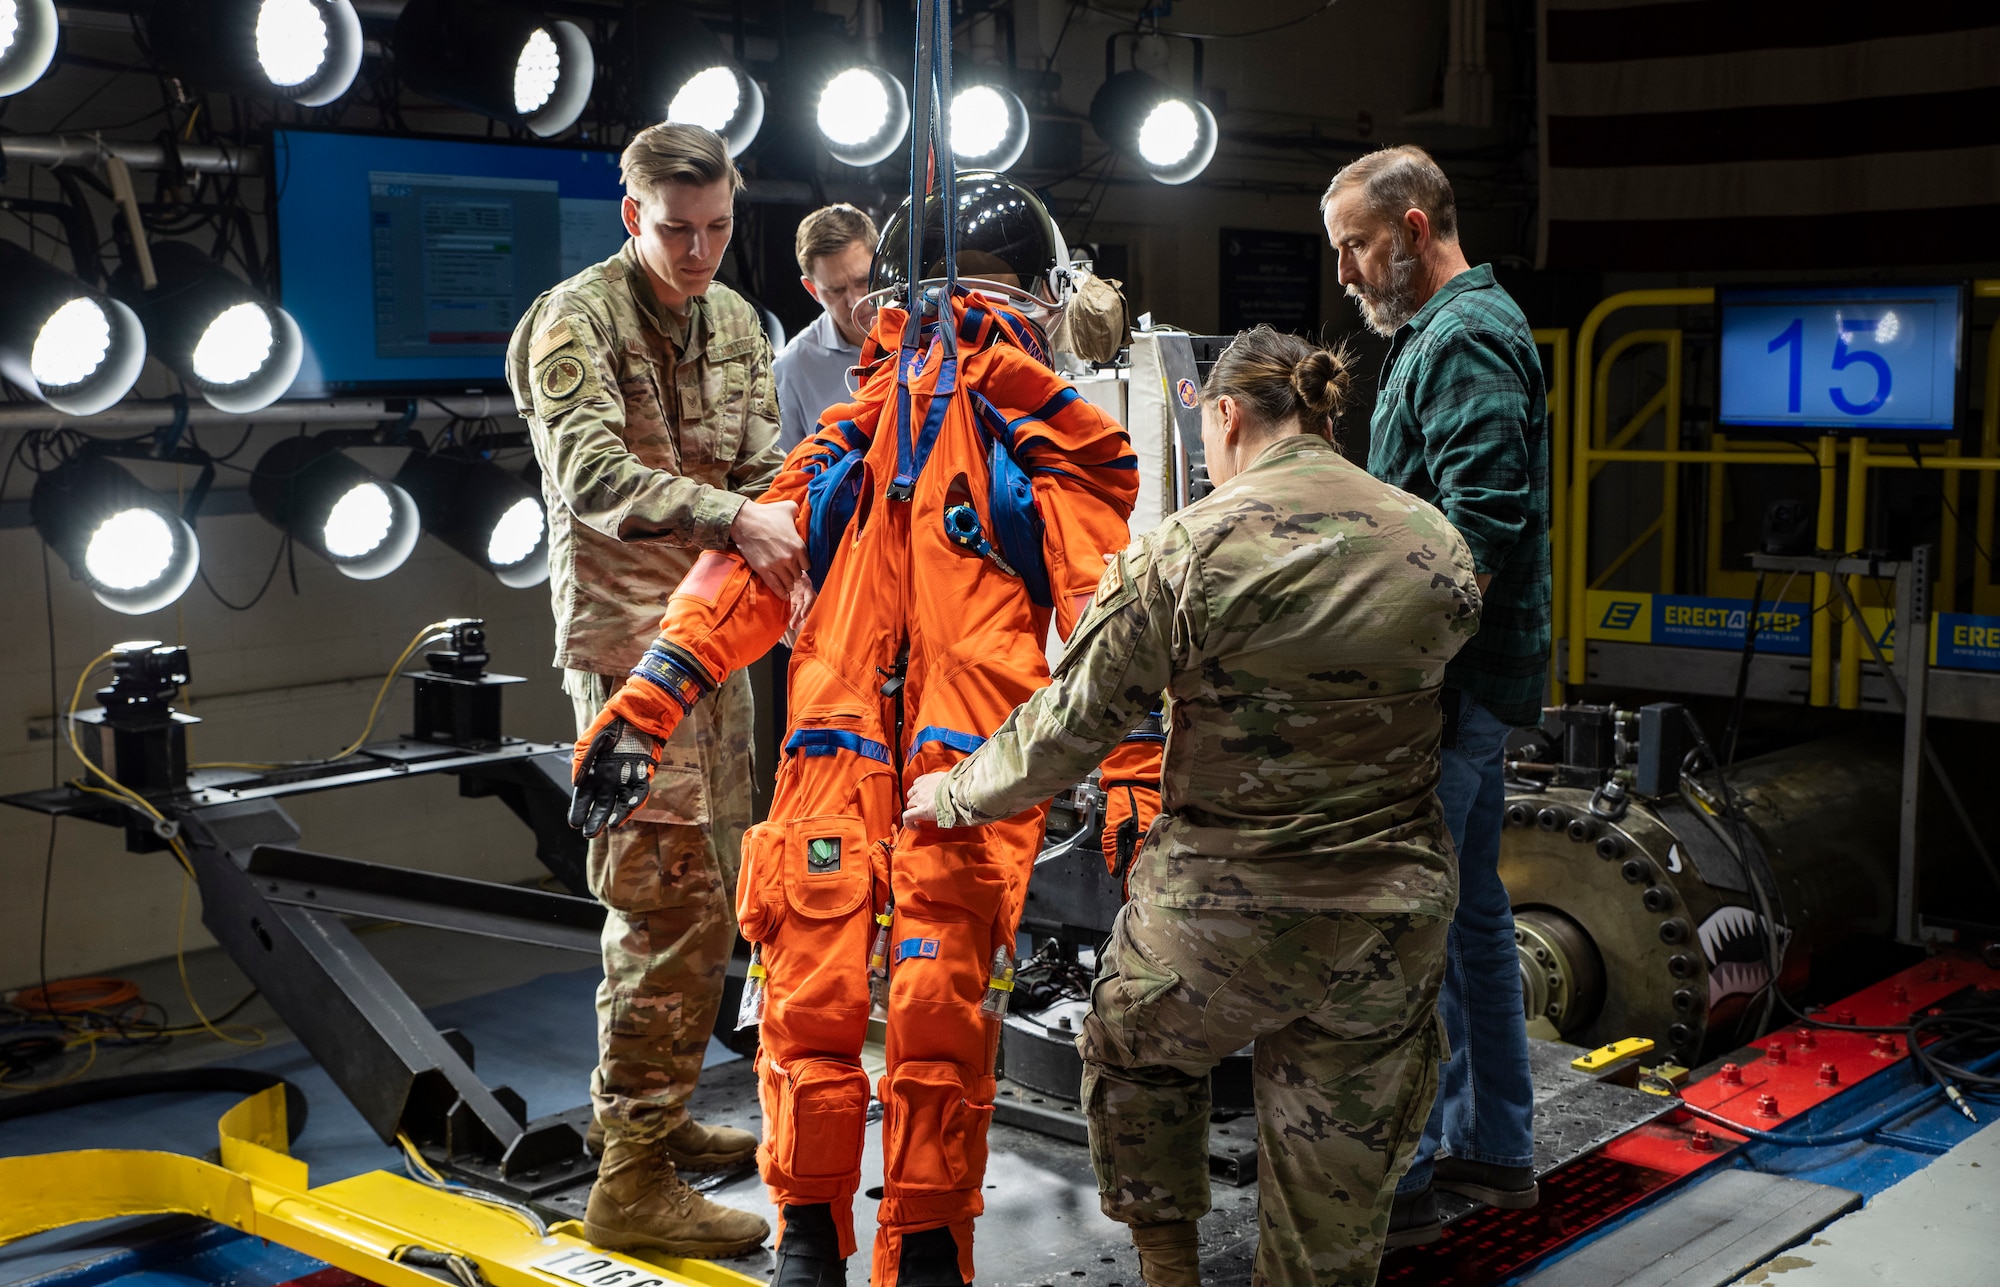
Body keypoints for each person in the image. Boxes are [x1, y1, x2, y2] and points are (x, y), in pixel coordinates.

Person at [566, 173, 1148, 1287]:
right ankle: (861, 1241)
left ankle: (870, 1240)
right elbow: (1100, 612)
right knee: (870, 1005)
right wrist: (1131, 765)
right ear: (1039, 288)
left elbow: (1097, 601)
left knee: (870, 1006)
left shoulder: (956, 438)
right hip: (911, 767)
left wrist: (647, 702)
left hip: (915, 769)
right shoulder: (927, 436)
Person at [905, 325, 1484, 1287]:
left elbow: (1067, 729)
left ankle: (1172, 1270)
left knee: (1132, 1049)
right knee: (1335, 1195)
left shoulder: (1188, 546)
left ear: (1222, 416)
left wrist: (953, 792)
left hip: (1219, 921)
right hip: (1388, 929)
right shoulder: (1433, 540)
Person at [506, 121, 807, 1259]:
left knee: (712, 891)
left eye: (718, 229)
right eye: (676, 231)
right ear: (632, 215)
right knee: (658, 900)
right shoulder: (573, 320)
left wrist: (781, 522)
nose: (698, 253)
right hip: (630, 657)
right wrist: (734, 516)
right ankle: (629, 1177)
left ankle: (664, 1121)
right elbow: (586, 477)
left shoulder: (734, 319)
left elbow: (759, 466)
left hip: (720, 647)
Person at [1320, 145, 1553, 1244]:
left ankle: (1407, 1175)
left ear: (1413, 229)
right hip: (1467, 682)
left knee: (1404, 929)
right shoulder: (1440, 332)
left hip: (1450, 689)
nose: (1347, 274)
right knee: (1468, 921)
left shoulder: (1462, 338)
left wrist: (1396, 665)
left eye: (1357, 247)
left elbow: (1481, 530)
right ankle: (1493, 1150)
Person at [774, 203, 880, 451]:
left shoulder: (930, 333)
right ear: (813, 291)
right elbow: (782, 473)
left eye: (862, 281)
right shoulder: (790, 369)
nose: (855, 301)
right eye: (836, 290)